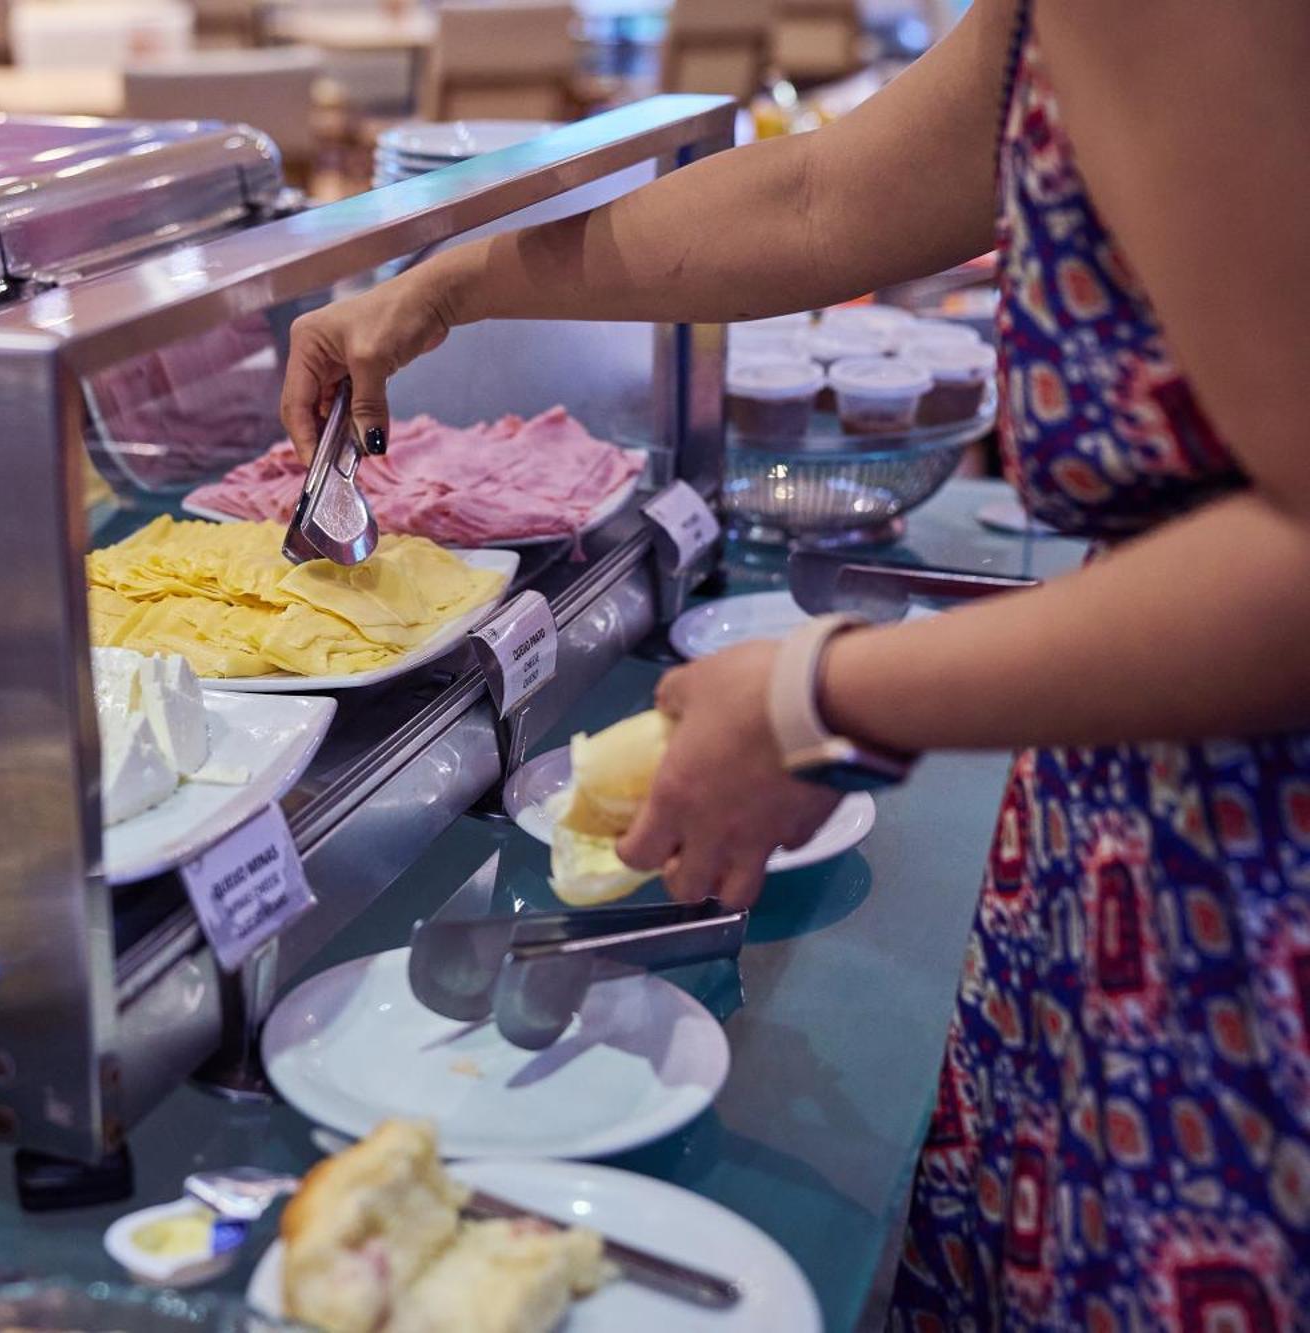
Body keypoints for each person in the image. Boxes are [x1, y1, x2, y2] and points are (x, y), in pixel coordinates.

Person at [278, 0, 1309, 1323]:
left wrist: (820, 702)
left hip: (1241, 904)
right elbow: (828, 194)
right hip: (1148, 808)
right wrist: (455, 285)